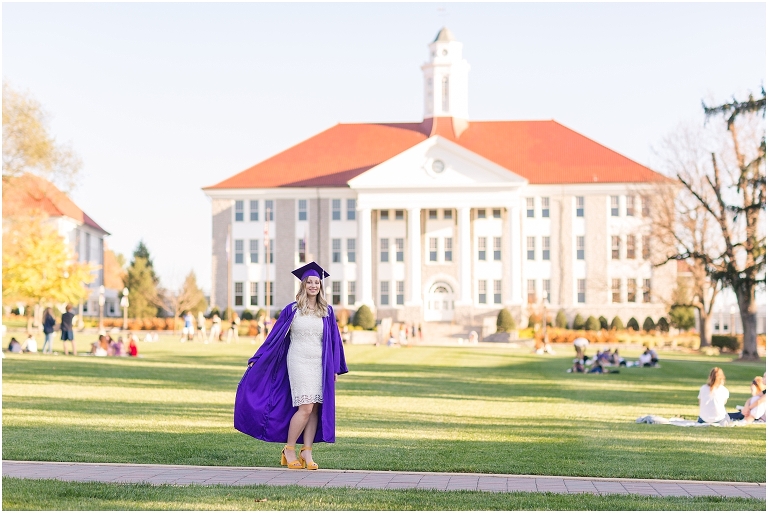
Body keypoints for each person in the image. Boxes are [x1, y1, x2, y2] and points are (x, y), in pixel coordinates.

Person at [234, 261, 348, 472]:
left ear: (320, 286)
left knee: (314, 410)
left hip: (319, 363)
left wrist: (334, 368)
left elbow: (334, 341)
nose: (313, 285)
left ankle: (307, 451)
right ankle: (289, 449)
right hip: (298, 360)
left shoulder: (327, 311)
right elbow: (274, 336)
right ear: (303, 285)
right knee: (305, 408)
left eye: (317, 282)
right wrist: (258, 357)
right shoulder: (292, 310)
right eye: (309, 282)